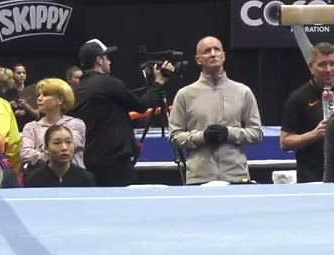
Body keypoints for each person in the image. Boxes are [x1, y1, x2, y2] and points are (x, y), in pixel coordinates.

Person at [68, 38, 172, 187]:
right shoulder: (108, 82)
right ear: (99, 60)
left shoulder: (78, 90)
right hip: (114, 163)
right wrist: (159, 82)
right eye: (107, 58)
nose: (109, 62)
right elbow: (142, 106)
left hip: (87, 161)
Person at [168, 36, 264, 185]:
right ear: (198, 59)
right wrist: (202, 137)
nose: (212, 54)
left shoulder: (243, 92)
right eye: (207, 51)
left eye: (216, 49)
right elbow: (174, 136)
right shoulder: (185, 95)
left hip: (236, 177)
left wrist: (229, 133)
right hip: (199, 179)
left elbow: (256, 133)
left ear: (223, 56)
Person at [279, 42, 334, 183]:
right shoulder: (298, 98)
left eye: (332, 64)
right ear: (311, 67)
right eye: (322, 65)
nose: (328, 69)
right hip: (311, 177)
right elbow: (285, 142)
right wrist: (314, 134)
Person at [25, 124, 97, 187]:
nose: (64, 148)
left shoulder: (85, 178)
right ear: (46, 149)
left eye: (68, 142)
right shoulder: (34, 180)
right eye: (57, 143)